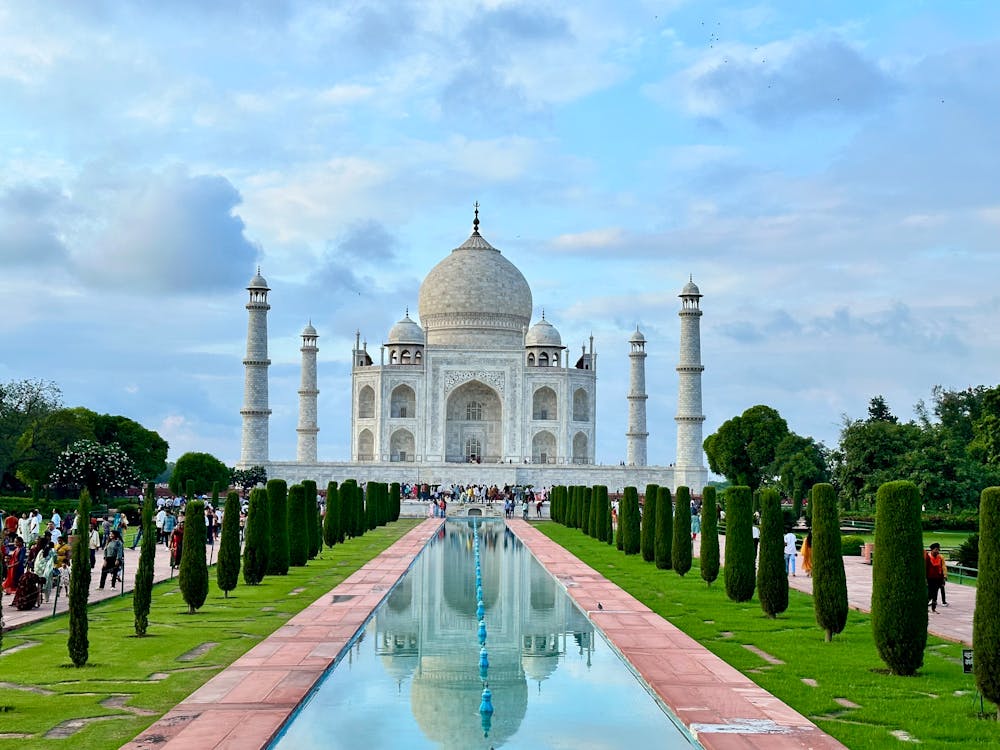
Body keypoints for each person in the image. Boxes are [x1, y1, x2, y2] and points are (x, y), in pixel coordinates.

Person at [925, 542, 948, 613]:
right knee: (930, 594)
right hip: (929, 578)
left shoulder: (940, 557)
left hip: (938, 578)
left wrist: (944, 576)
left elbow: (943, 567)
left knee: (935, 593)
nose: (937, 551)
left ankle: (933, 609)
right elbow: (925, 568)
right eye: (936, 549)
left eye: (938, 549)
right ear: (932, 550)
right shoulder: (927, 557)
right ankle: (925, 607)